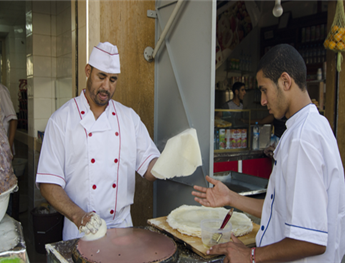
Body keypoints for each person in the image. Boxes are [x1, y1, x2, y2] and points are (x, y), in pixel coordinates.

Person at [192, 44, 345, 262]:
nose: (262, 101)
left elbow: (311, 240)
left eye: (264, 90)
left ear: (285, 81)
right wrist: (230, 197)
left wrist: (250, 255)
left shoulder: (302, 139)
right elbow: (279, 209)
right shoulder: (314, 125)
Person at [36, 42, 160, 241]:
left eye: (113, 80)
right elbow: (48, 183)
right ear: (88, 71)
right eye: (101, 77)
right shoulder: (62, 120)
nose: (106, 87)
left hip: (122, 229)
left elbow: (149, 169)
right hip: (80, 230)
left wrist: (171, 161)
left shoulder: (129, 118)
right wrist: (79, 216)